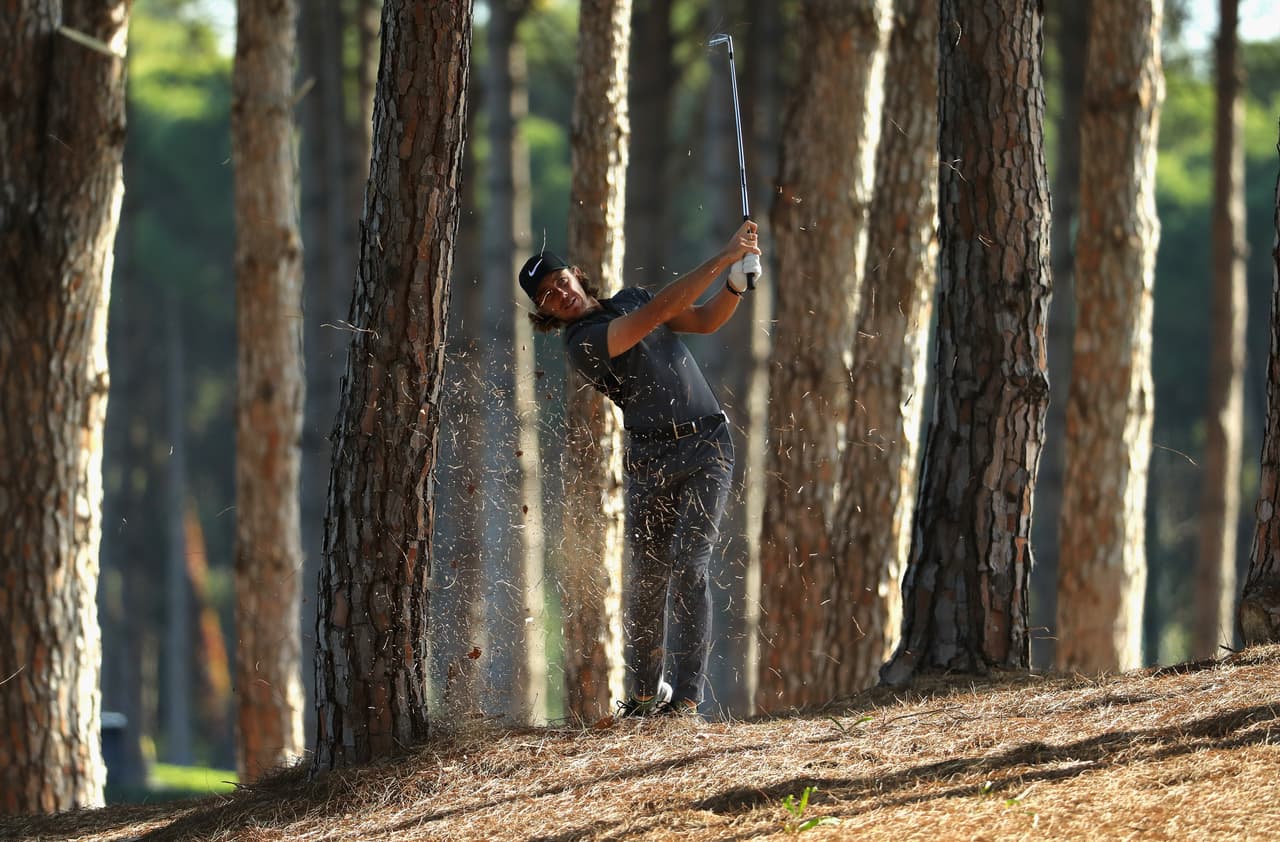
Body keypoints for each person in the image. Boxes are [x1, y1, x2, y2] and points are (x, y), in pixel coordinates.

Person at [518, 220, 762, 719]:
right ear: (543, 311)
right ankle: (647, 696)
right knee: (650, 578)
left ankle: (687, 702)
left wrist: (735, 283)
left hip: (707, 445)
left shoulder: (629, 297)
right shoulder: (581, 343)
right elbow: (658, 313)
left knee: (691, 568)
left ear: (577, 275)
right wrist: (722, 257)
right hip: (651, 459)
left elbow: (704, 320)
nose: (558, 294)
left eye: (560, 280)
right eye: (546, 295)